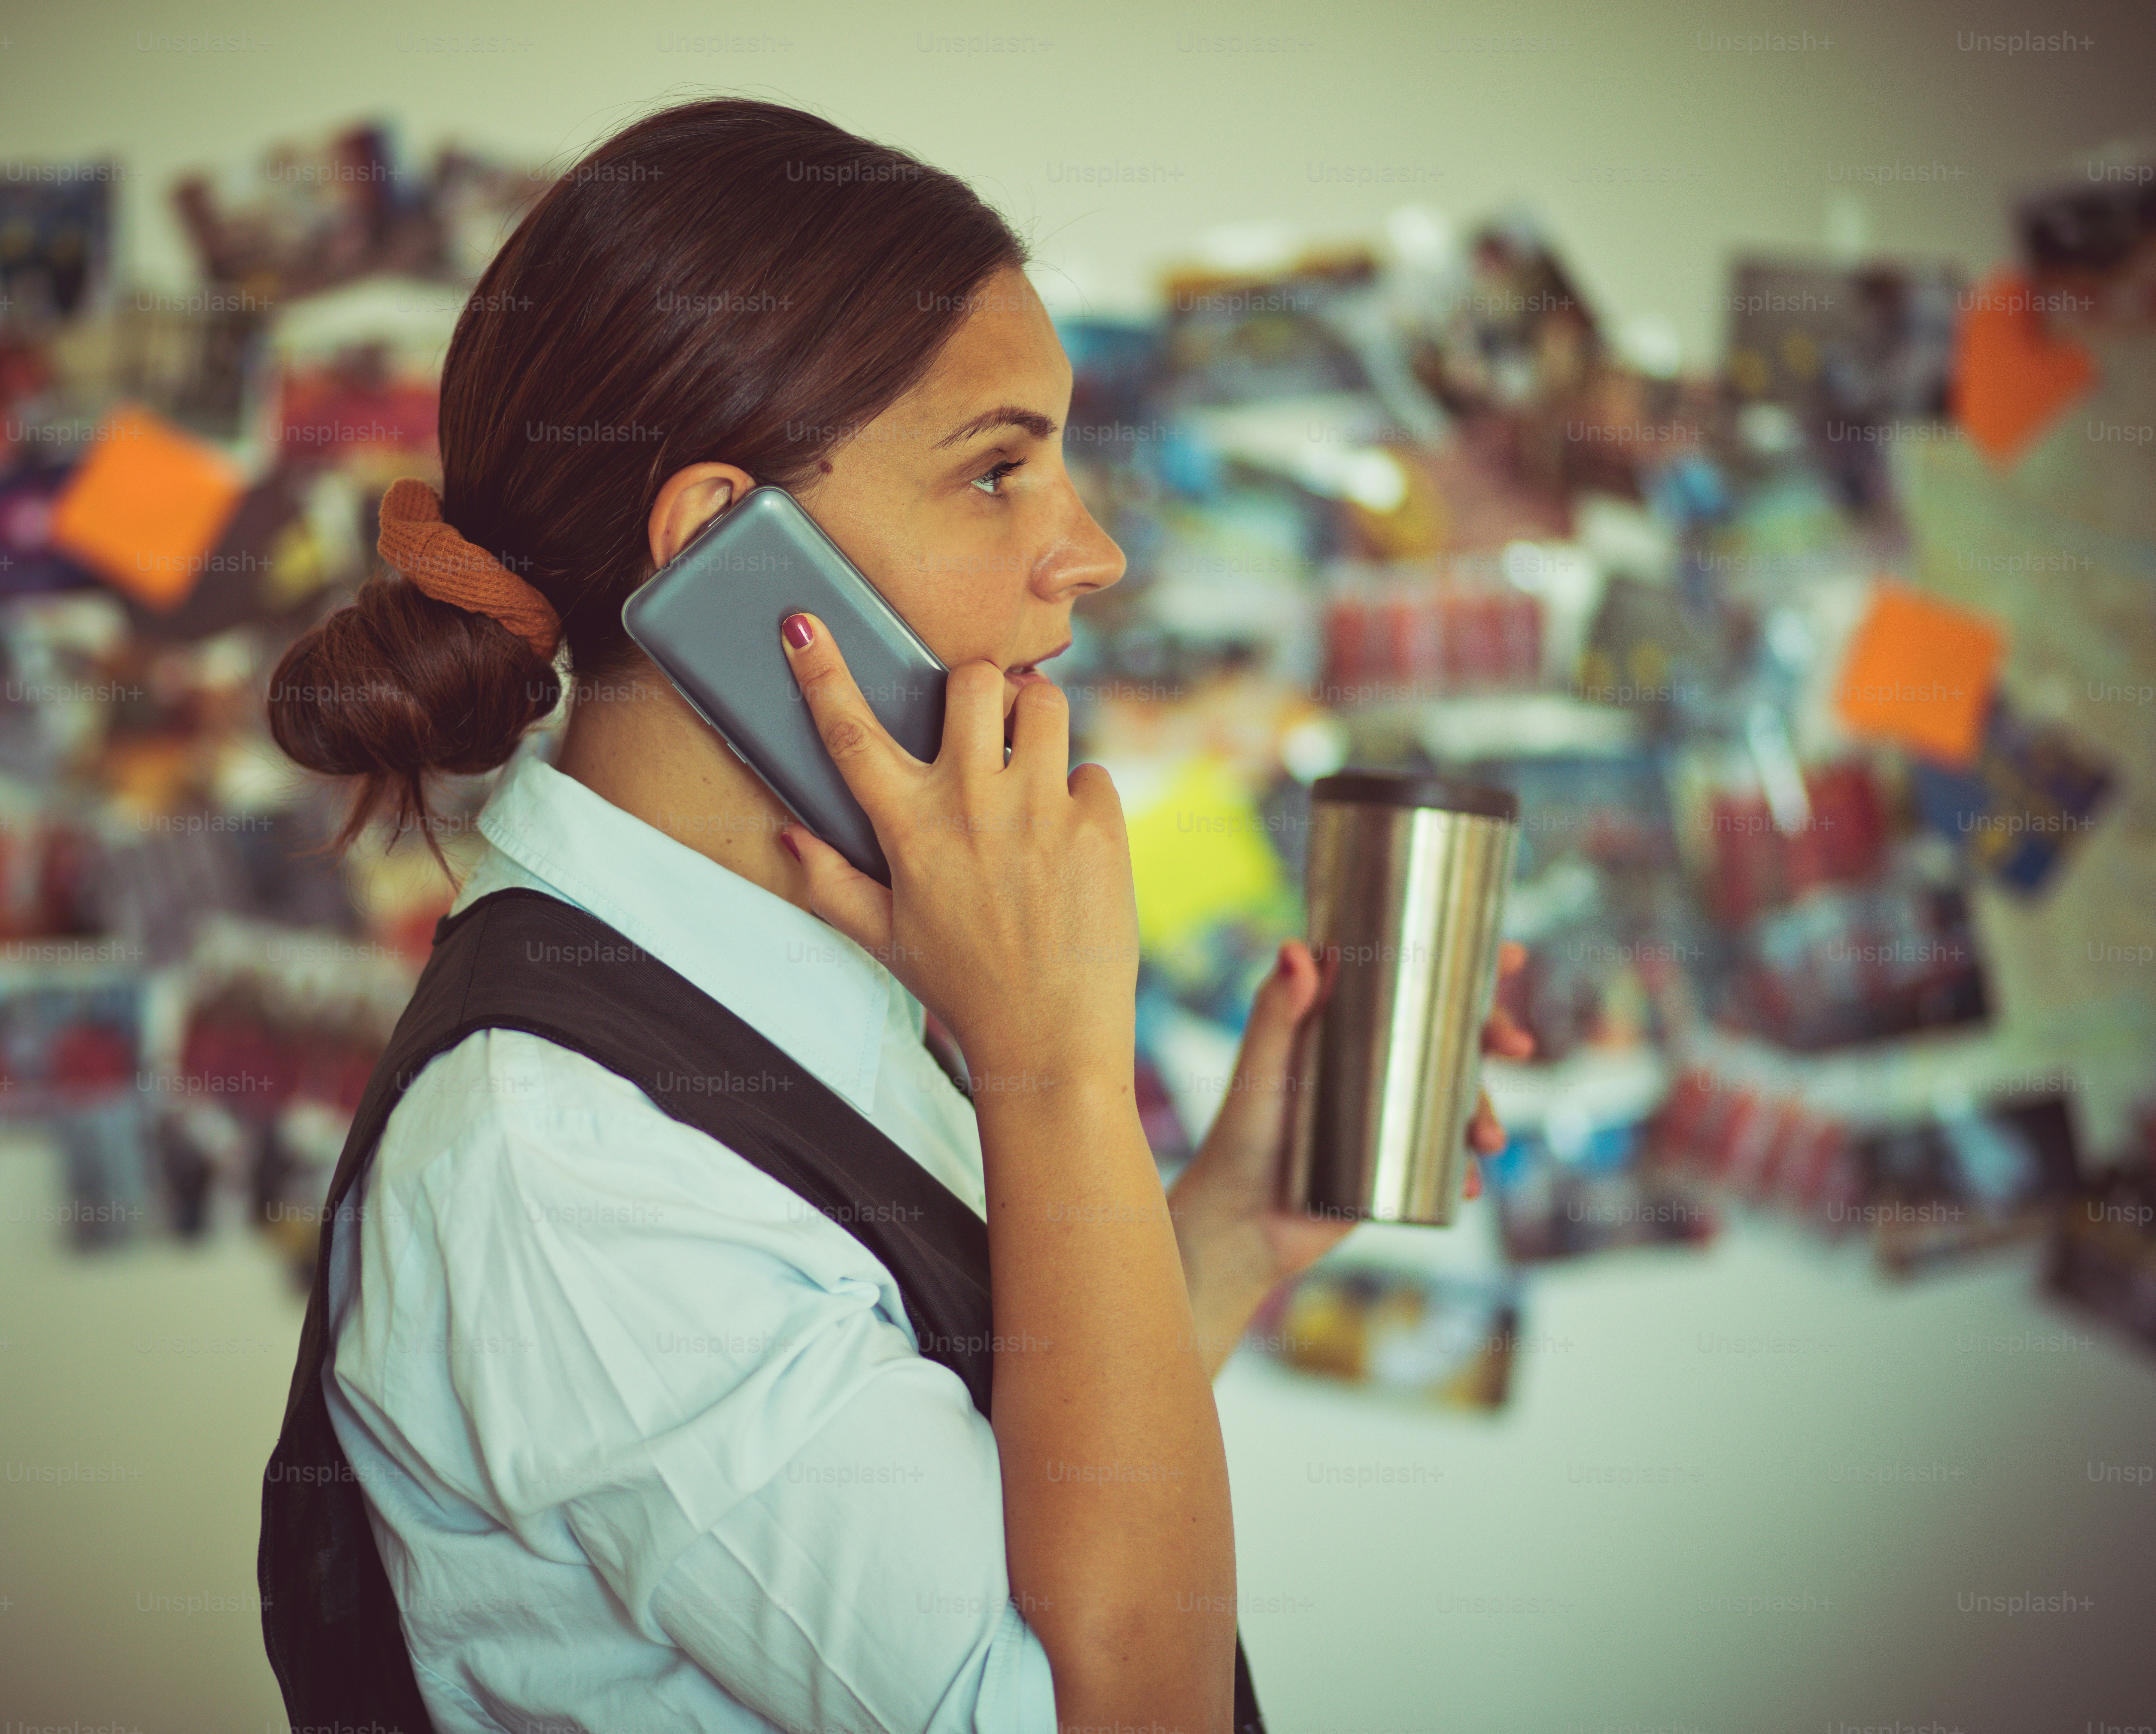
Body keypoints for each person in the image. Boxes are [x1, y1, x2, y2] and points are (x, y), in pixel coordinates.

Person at [262, 96, 1528, 1734]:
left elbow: (994, 1518)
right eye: (999, 469)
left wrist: (1218, 1235)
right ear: (728, 544)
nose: (1092, 554)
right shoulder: (567, 1155)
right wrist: (1054, 1061)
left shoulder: (773, 976)